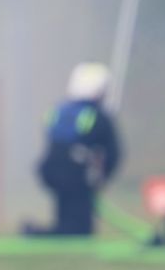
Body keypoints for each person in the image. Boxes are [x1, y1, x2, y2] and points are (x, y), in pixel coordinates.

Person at [26, 62, 122, 237]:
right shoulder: (99, 116)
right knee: (79, 230)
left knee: (67, 215)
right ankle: (42, 232)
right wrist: (104, 177)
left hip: (49, 171)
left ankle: (45, 230)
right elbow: (114, 153)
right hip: (77, 176)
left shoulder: (57, 111)